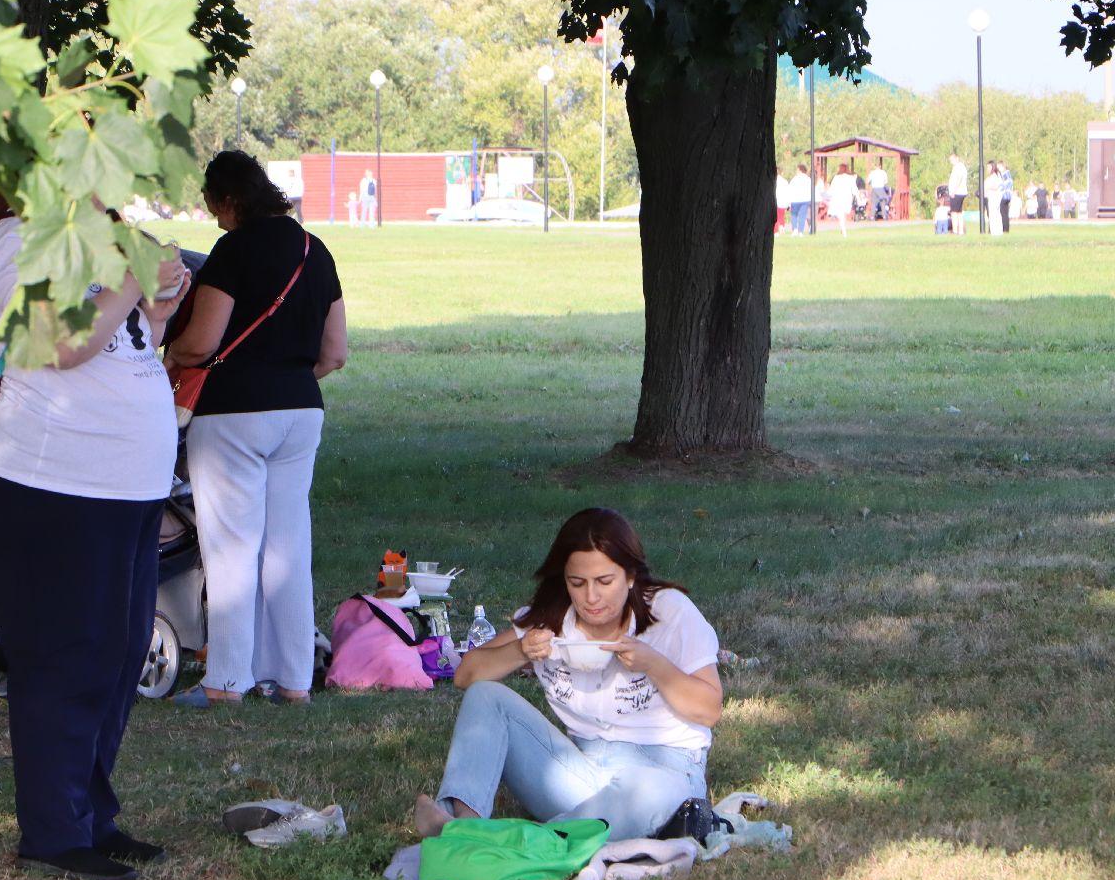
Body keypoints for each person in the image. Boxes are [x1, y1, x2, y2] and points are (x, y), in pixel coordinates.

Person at [0, 205, 191, 880]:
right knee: (68, 657)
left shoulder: (100, 240)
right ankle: (53, 833)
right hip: (47, 484)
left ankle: (89, 817)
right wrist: (127, 277)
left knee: (119, 657)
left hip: (126, 489)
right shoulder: (14, 243)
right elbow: (56, 343)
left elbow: (132, 338)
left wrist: (160, 301)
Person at [413, 508, 724, 841]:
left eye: (605, 582)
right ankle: (465, 823)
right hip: (580, 771)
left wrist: (653, 663)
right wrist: (521, 651)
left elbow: (709, 709)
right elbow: (466, 676)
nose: (591, 598)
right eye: (578, 583)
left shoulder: (668, 611)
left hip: (665, 769)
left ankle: (516, 842)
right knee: (485, 695)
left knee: (657, 791)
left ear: (630, 576)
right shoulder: (553, 618)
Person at [167, 151, 348, 708]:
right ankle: (294, 679)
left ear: (228, 200)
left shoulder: (232, 250)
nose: (215, 219)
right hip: (301, 412)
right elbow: (335, 352)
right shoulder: (315, 251)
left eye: (213, 207)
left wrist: (171, 353)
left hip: (232, 415)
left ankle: (226, 681)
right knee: (288, 547)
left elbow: (202, 341)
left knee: (230, 547)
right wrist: (288, 378)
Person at [827, 162, 858, 237]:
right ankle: (843, 228)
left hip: (838, 198)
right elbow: (854, 189)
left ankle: (843, 230)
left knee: (840, 215)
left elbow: (831, 189)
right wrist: (857, 196)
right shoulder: (850, 178)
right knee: (843, 214)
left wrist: (828, 196)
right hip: (847, 198)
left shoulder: (836, 178)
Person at [787, 163, 812, 235]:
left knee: (794, 215)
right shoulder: (808, 179)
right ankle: (800, 231)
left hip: (795, 199)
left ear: (800, 170)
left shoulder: (795, 179)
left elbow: (790, 189)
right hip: (805, 199)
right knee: (802, 215)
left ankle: (794, 229)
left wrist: (789, 201)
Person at [948, 152, 969, 234]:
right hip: (961, 192)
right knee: (959, 212)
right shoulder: (960, 167)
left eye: (952, 160)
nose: (951, 162)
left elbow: (959, 178)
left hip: (957, 192)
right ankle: (960, 230)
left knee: (954, 212)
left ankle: (955, 230)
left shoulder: (958, 167)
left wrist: (954, 190)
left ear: (957, 158)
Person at [774, 165, 790, 235]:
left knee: (775, 216)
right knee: (781, 216)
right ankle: (782, 227)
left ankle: (776, 231)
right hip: (783, 201)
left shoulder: (773, 181)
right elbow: (788, 192)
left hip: (776, 200)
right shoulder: (785, 181)